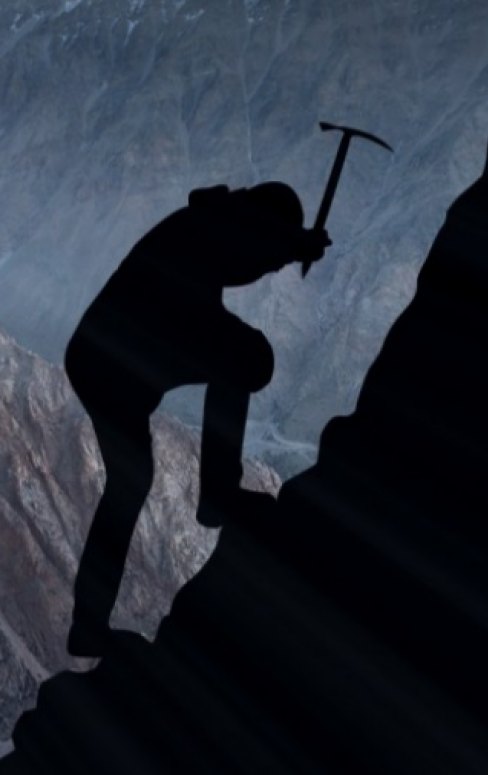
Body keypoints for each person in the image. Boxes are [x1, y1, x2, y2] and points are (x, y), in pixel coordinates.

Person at [64, 181, 328, 657]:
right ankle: (218, 491)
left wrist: (289, 246)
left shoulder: (205, 223)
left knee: (129, 487)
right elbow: (240, 254)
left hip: (107, 359)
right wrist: (292, 247)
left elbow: (239, 255)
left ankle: (88, 624)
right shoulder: (209, 230)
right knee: (248, 357)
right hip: (115, 362)